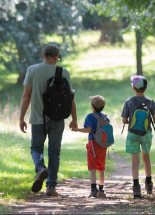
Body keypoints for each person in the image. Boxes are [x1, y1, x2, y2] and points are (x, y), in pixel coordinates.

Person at [19, 44, 78, 197]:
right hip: (58, 119)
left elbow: (26, 96)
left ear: (43, 55)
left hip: (38, 118)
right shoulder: (64, 72)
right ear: (57, 56)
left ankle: (40, 168)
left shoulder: (32, 70)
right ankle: (51, 187)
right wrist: (74, 119)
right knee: (54, 152)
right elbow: (71, 98)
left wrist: (21, 117)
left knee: (36, 148)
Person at [121, 75, 155, 198]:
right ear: (145, 88)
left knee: (135, 162)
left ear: (133, 88)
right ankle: (148, 184)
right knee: (146, 158)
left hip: (132, 134)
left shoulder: (128, 102)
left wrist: (132, 120)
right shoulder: (150, 102)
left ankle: (136, 188)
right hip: (146, 134)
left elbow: (124, 120)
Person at [72, 95, 109, 199]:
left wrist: (77, 130)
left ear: (92, 106)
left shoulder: (90, 117)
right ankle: (101, 190)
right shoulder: (106, 117)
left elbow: (88, 130)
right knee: (101, 168)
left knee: (92, 168)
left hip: (93, 144)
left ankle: (93, 190)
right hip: (103, 145)